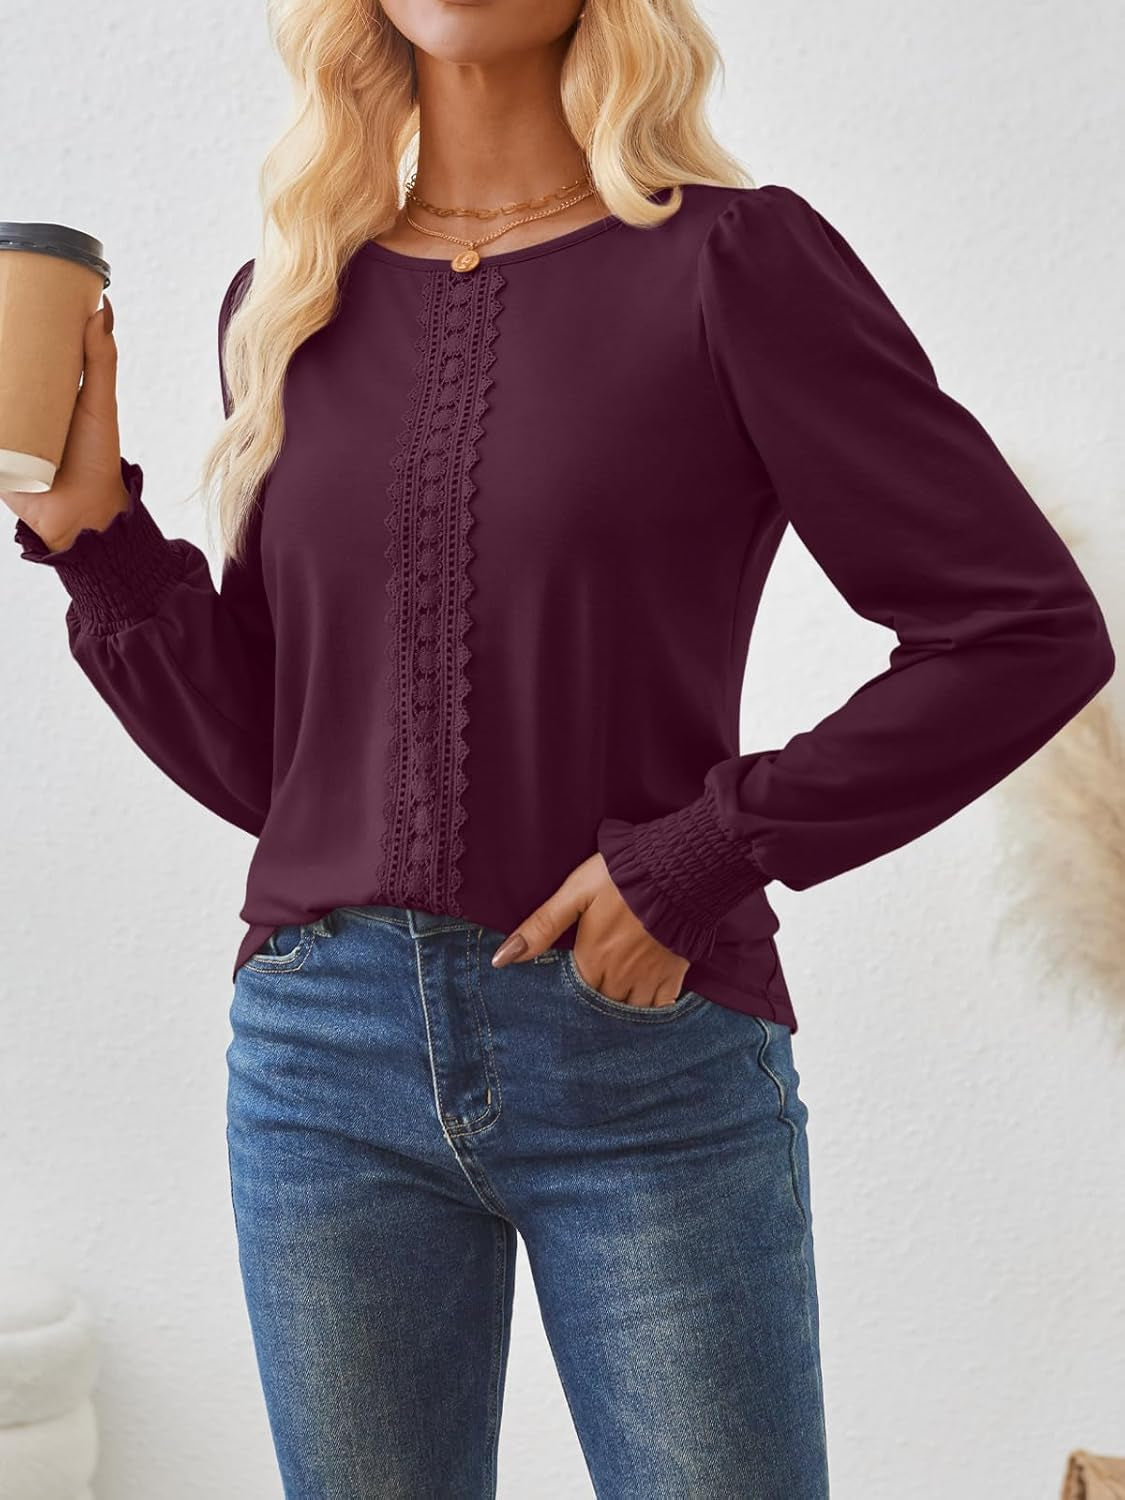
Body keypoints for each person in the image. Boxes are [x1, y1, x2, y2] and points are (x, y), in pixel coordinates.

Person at [5, 1, 1115, 1496]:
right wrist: (93, 539)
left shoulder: (732, 261)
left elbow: (1025, 630)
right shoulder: (286, 300)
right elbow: (284, 771)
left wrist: (703, 855)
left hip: (637, 1054)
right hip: (319, 1063)